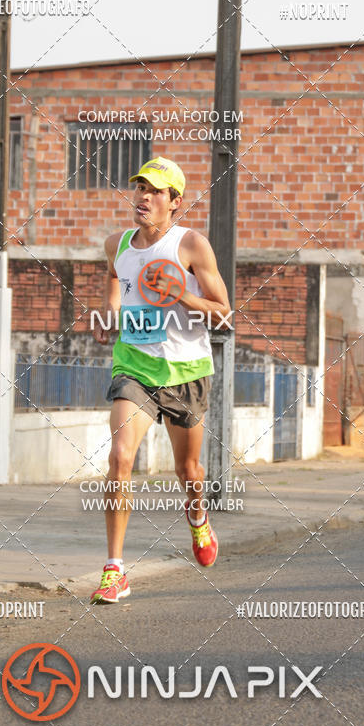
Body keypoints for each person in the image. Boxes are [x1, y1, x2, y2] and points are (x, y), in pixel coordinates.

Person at [90, 158, 231, 604]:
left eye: (155, 191)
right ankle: (115, 569)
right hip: (133, 366)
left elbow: (223, 312)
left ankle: (198, 518)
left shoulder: (191, 245)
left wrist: (182, 295)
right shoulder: (116, 244)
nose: (144, 196)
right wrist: (110, 313)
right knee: (120, 456)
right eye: (140, 188)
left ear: (175, 202)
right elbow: (114, 277)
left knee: (188, 470)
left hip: (186, 370)